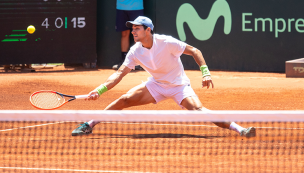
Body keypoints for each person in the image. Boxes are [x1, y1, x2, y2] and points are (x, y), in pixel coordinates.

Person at [72, 16, 256, 138]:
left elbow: (194, 50)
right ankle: (89, 124)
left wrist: (205, 72)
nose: (133, 32)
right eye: (133, 29)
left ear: (148, 30)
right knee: (125, 99)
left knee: (198, 110)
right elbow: (120, 74)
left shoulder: (166, 42)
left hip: (179, 86)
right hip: (156, 85)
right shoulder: (135, 51)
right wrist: (100, 89)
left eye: (137, 29)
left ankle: (240, 129)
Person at [112, 0, 144, 70]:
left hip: (136, 7)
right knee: (124, 34)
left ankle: (138, 62)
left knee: (137, 34)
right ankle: (124, 61)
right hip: (121, 7)